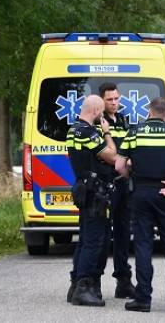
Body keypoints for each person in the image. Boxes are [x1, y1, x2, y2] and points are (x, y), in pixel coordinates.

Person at [115, 97, 165, 313]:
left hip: (141, 192)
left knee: (143, 245)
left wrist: (130, 171)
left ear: (149, 111)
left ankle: (143, 299)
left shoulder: (134, 132)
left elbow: (119, 164)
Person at [66, 95, 117, 307]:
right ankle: (84, 287)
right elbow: (112, 156)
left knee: (86, 238)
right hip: (95, 192)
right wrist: (106, 132)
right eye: (102, 112)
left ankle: (77, 283)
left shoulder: (72, 130)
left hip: (84, 188)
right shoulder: (89, 133)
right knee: (96, 240)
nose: (102, 116)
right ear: (96, 111)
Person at [96, 82, 136, 299]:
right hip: (105, 183)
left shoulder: (122, 119)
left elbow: (129, 147)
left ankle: (123, 280)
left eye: (116, 98)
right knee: (101, 235)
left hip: (123, 183)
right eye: (109, 99)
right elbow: (107, 154)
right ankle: (94, 281)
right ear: (101, 100)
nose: (114, 103)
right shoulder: (97, 123)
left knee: (123, 233)